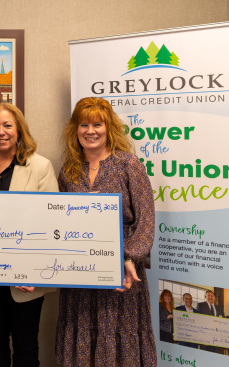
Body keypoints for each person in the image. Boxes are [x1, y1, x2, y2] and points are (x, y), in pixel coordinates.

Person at [55, 97, 157, 366]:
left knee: (118, 335)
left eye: (97, 124)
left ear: (108, 127)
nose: (90, 131)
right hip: (79, 274)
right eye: (84, 125)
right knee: (83, 334)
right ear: (75, 129)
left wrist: (128, 257)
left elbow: (145, 220)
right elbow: (58, 220)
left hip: (122, 272)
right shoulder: (68, 171)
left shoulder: (128, 164)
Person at [0, 102, 58, 367]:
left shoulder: (40, 166)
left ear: (19, 130)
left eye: (7, 125)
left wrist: (37, 272)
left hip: (25, 277)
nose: (1, 132)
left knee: (26, 347)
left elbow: (52, 223)